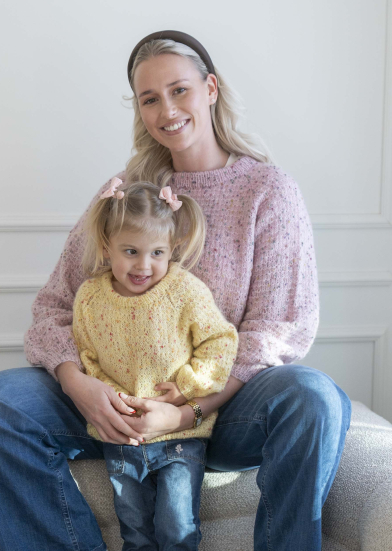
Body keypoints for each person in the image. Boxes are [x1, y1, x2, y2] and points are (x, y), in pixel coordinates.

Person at [0, 29, 352, 551]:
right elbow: (55, 304)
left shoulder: (267, 190)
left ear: (210, 88)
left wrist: (187, 412)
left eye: (179, 90)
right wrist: (82, 389)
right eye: (149, 98)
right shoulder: (124, 192)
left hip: (226, 411)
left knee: (316, 397)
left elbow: (279, 328)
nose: (167, 109)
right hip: (117, 406)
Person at [72, 179, 238, 549]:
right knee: (134, 529)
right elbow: (88, 359)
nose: (144, 265)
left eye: (157, 253)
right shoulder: (89, 299)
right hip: (122, 437)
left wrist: (188, 386)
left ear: (171, 249)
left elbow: (220, 341)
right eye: (131, 251)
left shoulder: (185, 291)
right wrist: (116, 402)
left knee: (177, 527)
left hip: (180, 440)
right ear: (106, 247)